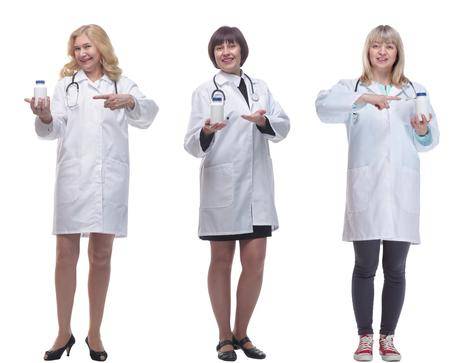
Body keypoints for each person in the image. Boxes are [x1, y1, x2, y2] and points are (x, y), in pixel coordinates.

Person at [28, 24, 160, 362]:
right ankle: (62, 331)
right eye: (76, 49)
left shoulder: (121, 82)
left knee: (101, 257)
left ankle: (95, 332)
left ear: (101, 47)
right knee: (64, 256)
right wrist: (44, 114)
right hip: (73, 179)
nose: (82, 54)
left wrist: (129, 101)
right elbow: (52, 129)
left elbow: (148, 113)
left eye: (88, 47)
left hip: (108, 181)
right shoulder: (65, 86)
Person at [313, 24, 438, 363]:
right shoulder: (349, 88)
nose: (382, 52)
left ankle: (389, 337)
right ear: (367, 51)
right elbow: (322, 108)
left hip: (402, 187)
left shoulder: (415, 90)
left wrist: (422, 130)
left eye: (389, 46)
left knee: (396, 268)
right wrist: (364, 97)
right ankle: (365, 336)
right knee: (365, 265)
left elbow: (430, 141)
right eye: (376, 46)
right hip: (366, 188)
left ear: (398, 52)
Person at [182, 25, 290, 362]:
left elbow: (283, 125)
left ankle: (242, 332)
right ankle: (223, 336)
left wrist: (264, 121)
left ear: (242, 50)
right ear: (213, 54)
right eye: (219, 48)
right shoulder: (204, 91)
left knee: (255, 264)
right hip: (222, 188)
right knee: (221, 262)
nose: (226, 52)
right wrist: (206, 131)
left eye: (232, 46)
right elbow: (190, 144)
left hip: (257, 190)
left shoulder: (262, 87)